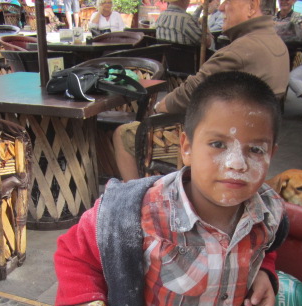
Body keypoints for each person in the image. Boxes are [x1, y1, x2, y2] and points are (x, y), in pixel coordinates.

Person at [54, 71, 289, 306]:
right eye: (218, 144)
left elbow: (266, 245)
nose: (236, 164)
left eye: (255, 150)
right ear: (186, 147)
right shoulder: (137, 213)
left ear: (272, 153)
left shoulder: (269, 212)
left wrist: (264, 272)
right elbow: (73, 254)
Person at [113, 0, 289, 181]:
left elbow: (191, 93)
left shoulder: (241, 50)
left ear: (252, 6)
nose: (221, 8)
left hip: (222, 137)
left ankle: (138, 199)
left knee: (125, 134)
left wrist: (160, 106)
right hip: (252, 136)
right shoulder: (276, 44)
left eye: (227, 2)